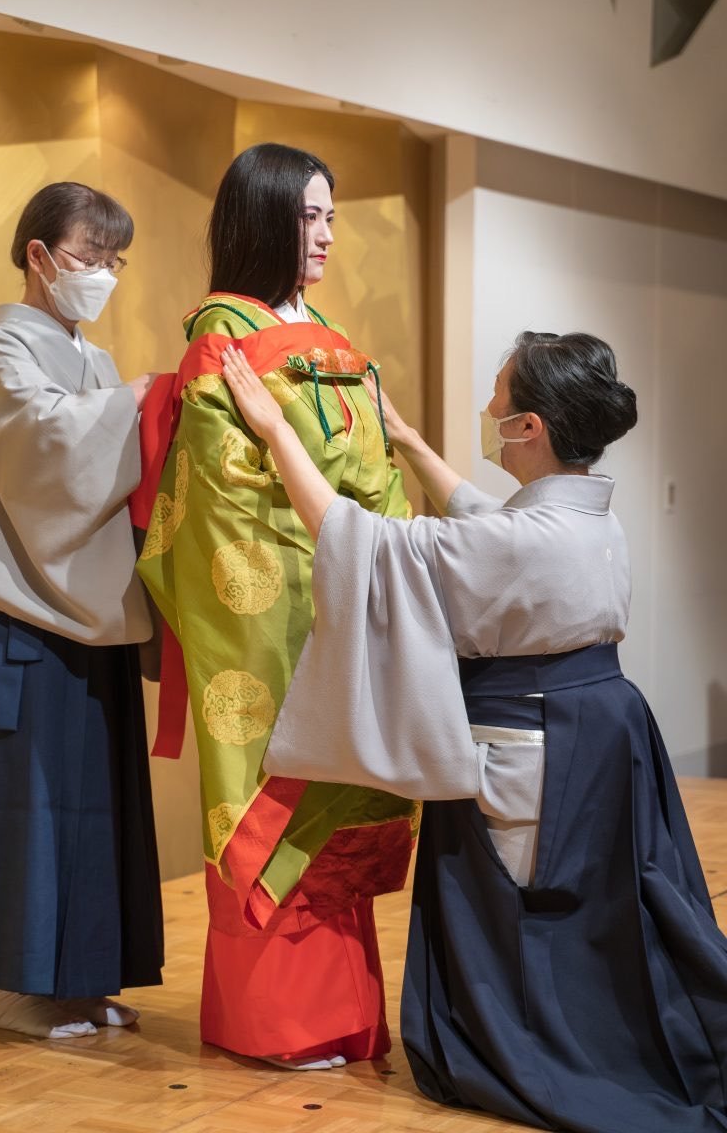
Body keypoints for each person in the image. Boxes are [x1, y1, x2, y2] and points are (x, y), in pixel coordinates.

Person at [220, 331, 727, 1131]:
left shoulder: (520, 541)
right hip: (598, 732)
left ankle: (539, 1052)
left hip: (531, 745)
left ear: (530, 428)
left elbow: (368, 549)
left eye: (500, 396)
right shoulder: (587, 520)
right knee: (590, 909)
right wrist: (411, 443)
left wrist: (276, 430)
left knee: (532, 910)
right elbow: (482, 521)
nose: (489, 406)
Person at [133, 143, 418, 1070]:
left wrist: (381, 554)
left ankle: (346, 1017)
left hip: (350, 602)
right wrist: (337, 553)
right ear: (263, 221)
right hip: (276, 623)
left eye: (333, 216)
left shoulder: (331, 337)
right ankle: (276, 1026)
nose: (328, 235)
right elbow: (223, 508)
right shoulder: (219, 336)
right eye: (309, 216)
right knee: (280, 805)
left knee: (346, 818)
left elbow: (375, 474)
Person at [0, 182, 164, 1040]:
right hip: (25, 611)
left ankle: (84, 979)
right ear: (39, 256)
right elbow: (48, 450)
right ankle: (31, 987)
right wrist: (149, 396)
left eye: (115, 262)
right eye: (88, 258)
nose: (102, 276)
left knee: (98, 800)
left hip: (93, 606)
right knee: (32, 803)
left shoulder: (98, 362)